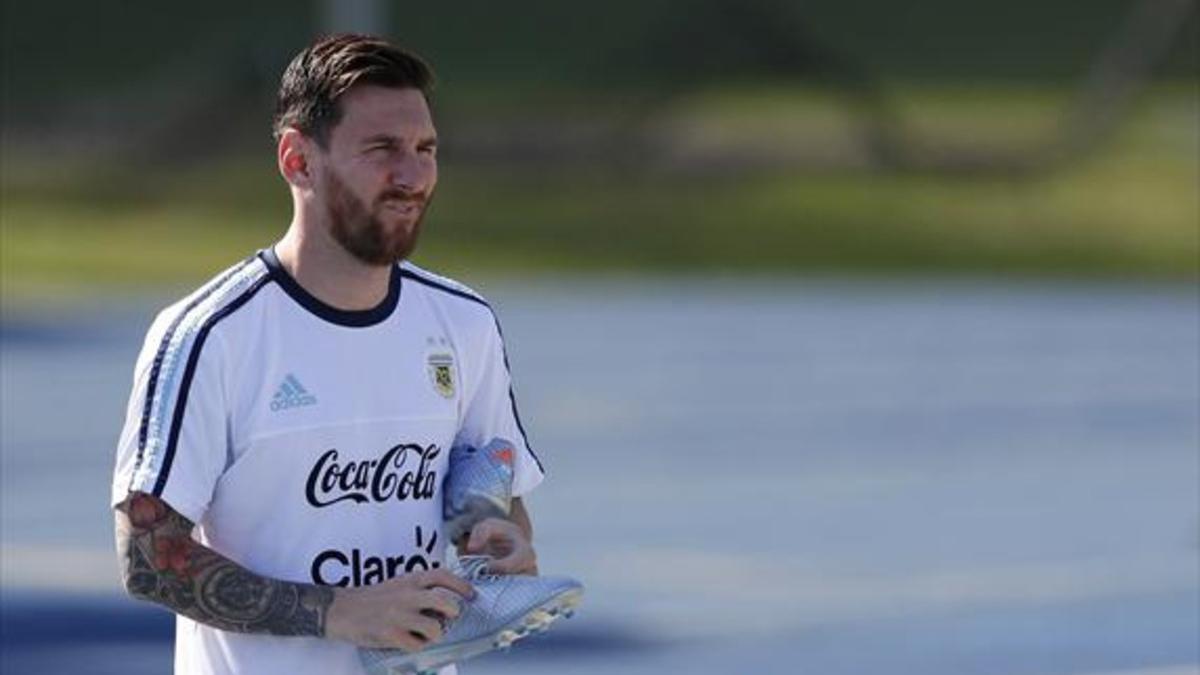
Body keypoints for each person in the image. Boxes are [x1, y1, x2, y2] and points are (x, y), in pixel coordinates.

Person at [111, 34, 547, 675]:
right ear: (297, 160)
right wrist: (340, 611)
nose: (412, 175)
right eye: (382, 150)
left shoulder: (462, 323)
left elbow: (483, 487)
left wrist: (502, 541)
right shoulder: (213, 336)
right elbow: (147, 559)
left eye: (425, 150)